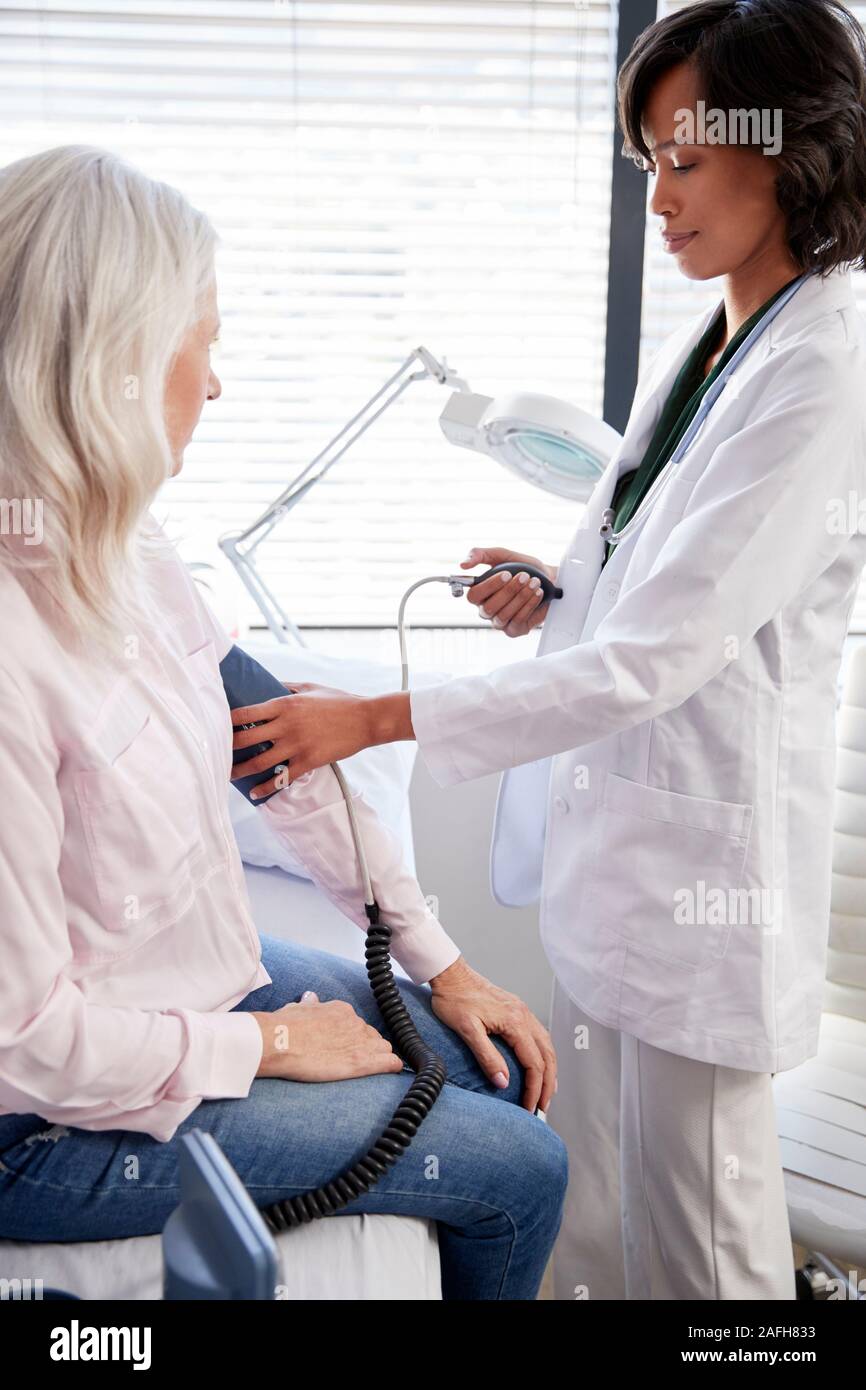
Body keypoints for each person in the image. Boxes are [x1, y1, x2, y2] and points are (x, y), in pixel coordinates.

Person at [230, 0, 866, 1299]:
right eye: (648, 166)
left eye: (684, 162)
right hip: (616, 859)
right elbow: (644, 565)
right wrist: (556, 586)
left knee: (705, 1250)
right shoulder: (720, 332)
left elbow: (659, 655)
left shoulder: (822, 367)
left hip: (703, 881)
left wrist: (370, 717)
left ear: (793, 150)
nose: (660, 202)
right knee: (596, 1211)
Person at [0, 143, 568, 1303]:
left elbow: (284, 759)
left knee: (489, 1061)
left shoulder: (128, 550)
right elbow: (25, 1040)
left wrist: (440, 962)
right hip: (49, 1120)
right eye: (201, 338)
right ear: (111, 355)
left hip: (191, 983)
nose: (215, 383)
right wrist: (266, 1048)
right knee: (523, 1168)